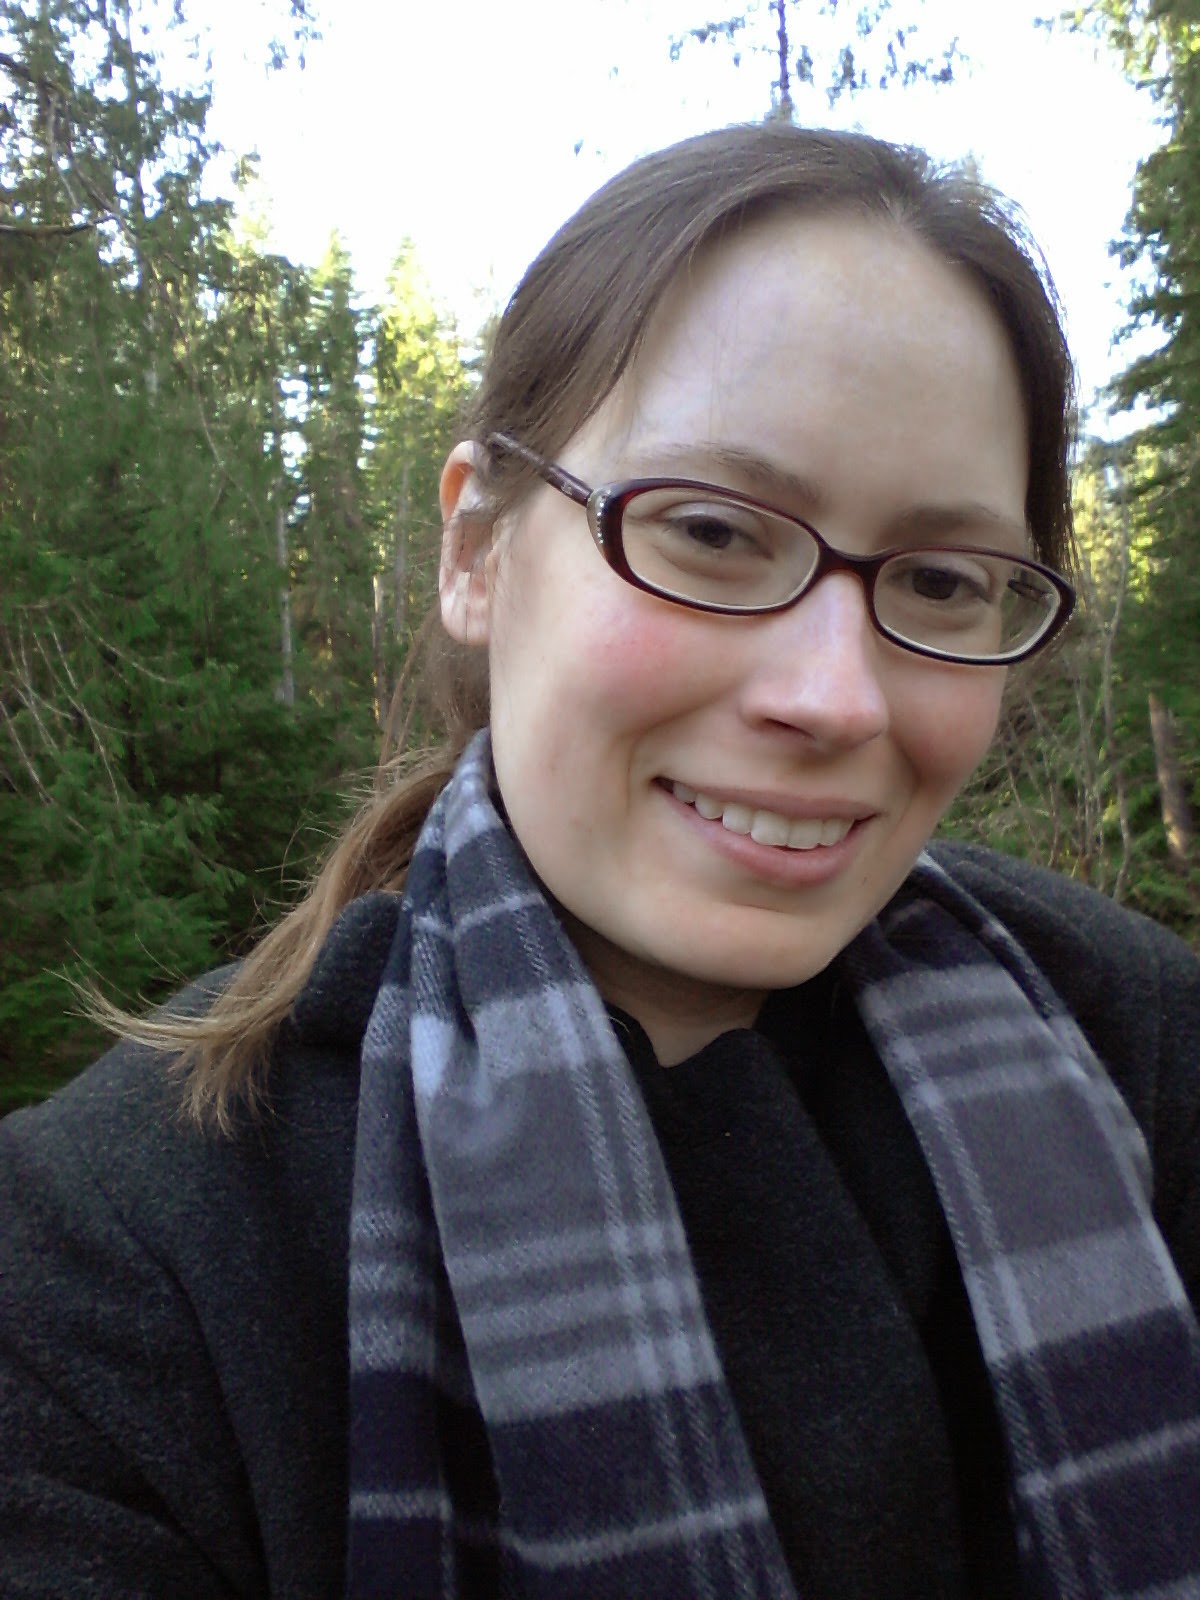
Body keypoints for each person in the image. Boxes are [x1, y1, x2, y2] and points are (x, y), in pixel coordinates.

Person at [1, 122, 1198, 1600]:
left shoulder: (1140, 1041)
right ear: (478, 554)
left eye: (945, 580)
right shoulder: (112, 1261)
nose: (836, 698)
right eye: (711, 532)